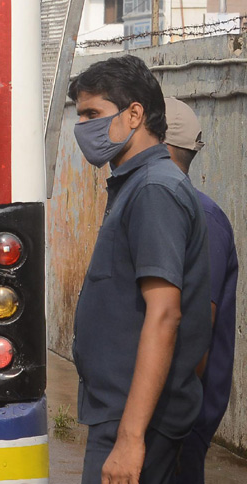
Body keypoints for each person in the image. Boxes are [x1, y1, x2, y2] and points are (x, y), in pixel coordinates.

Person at [67, 56, 211, 484]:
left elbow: (165, 314)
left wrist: (130, 438)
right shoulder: (137, 186)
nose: (84, 129)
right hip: (122, 414)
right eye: (81, 117)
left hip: (134, 422)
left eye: (94, 114)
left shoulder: (153, 190)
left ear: (134, 114)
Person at [162, 98, 239, 484]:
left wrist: (170, 423)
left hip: (176, 426)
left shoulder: (200, 218)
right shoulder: (166, 209)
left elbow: (195, 335)